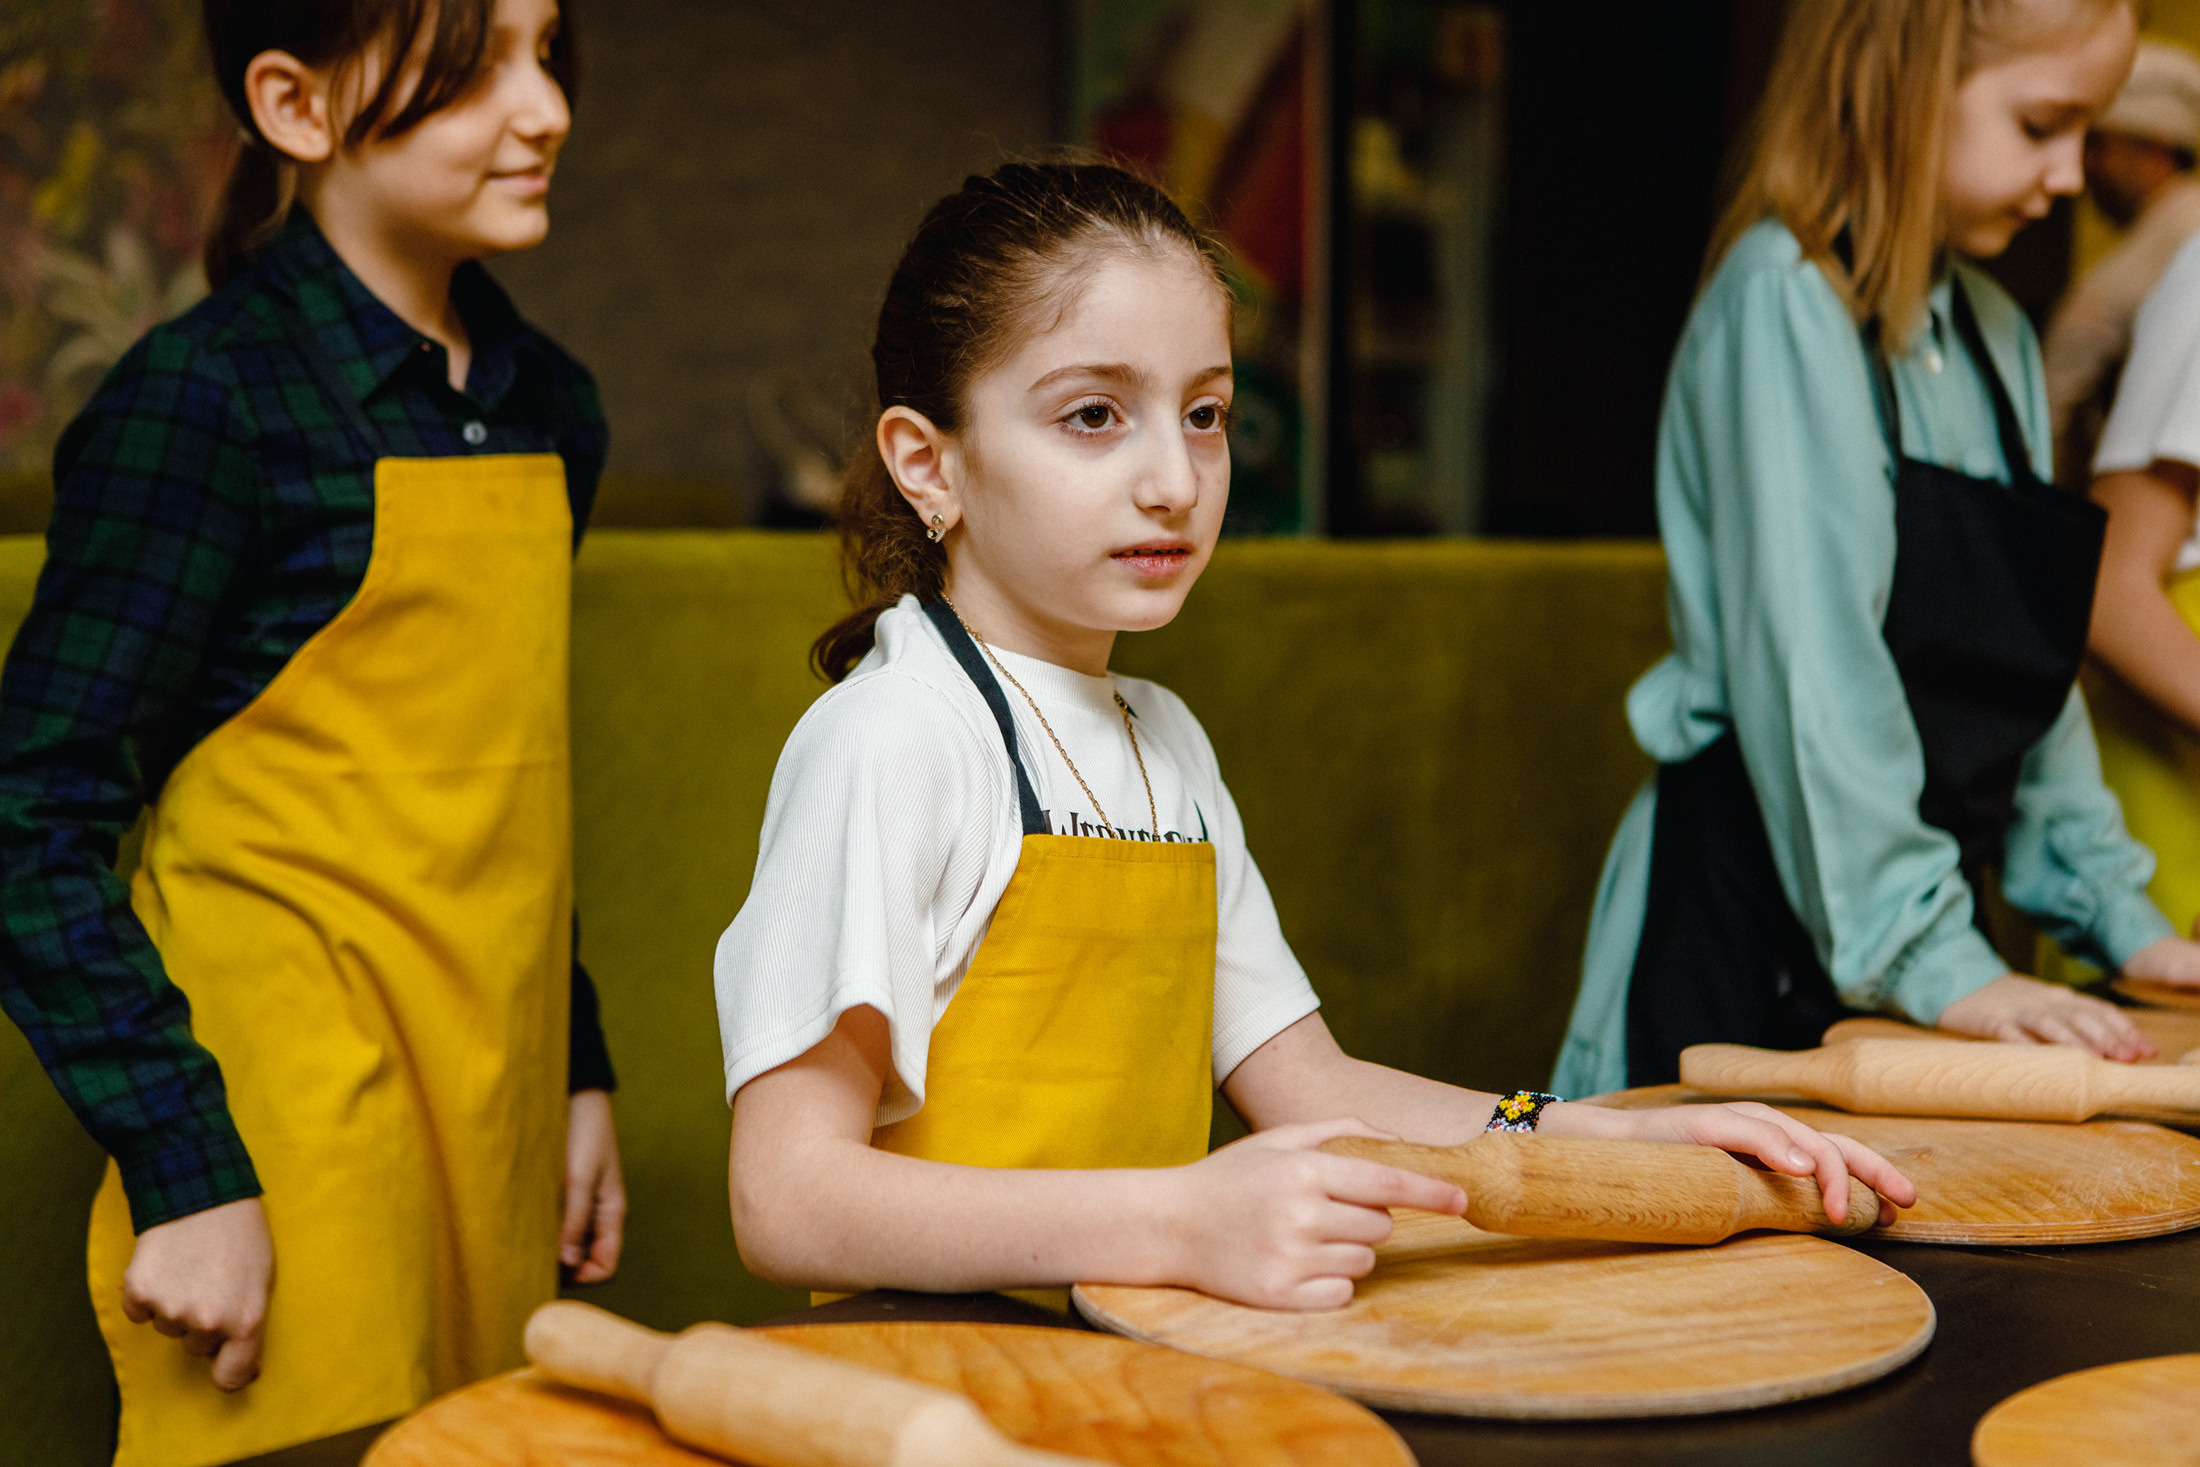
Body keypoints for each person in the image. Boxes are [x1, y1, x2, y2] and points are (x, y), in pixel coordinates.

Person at [714, 160, 1913, 1311]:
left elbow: (1315, 1089)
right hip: (927, 1395)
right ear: (929, 464)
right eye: (1093, 415)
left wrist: (1607, 1132)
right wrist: (1183, 1223)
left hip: (1123, 1376)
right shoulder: (888, 740)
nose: (1175, 481)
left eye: (1204, 414)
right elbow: (787, 1198)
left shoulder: (1164, 744)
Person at [0, 0, 625, 1460]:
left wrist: (577, 1061)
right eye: (476, 66)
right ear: (292, 104)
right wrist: (183, 1163)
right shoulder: (203, 407)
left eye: (550, 51)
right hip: (284, 1138)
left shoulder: (555, 409)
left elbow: (501, 775)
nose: (545, 109)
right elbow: (29, 807)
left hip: (493, 1107)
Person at [1554, 0, 2200, 1101]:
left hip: (1915, 919)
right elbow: (1816, 675)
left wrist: (2119, 920)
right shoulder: (1784, 303)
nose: (2066, 177)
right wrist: (1933, 959)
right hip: (1740, 925)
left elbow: (2028, 692)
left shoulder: (1994, 337)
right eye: (2041, 125)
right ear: (1895, 84)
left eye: (2086, 134)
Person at [2043, 38, 2200, 485]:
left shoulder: (2179, 244)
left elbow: (2060, 403)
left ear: (2155, 147)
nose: (2081, 168)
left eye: (2098, 145)